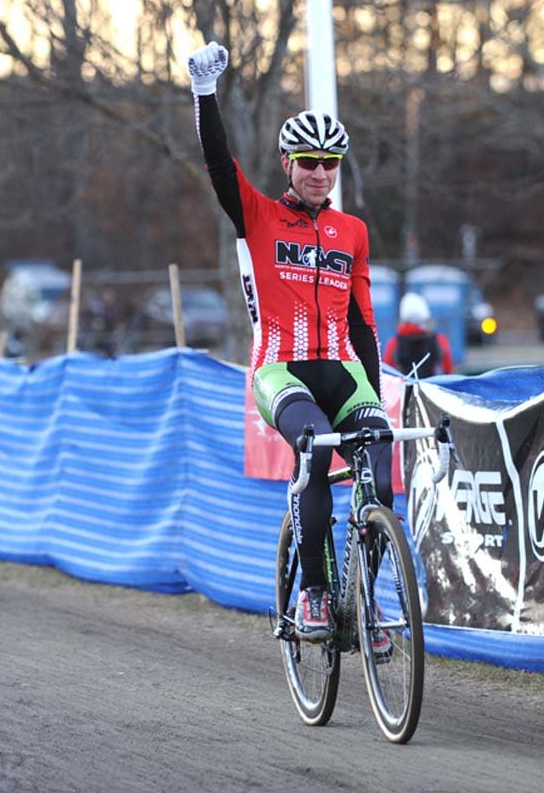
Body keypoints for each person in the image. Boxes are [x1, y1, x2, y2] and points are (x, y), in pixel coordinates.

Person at [189, 41, 392, 646]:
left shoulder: (351, 231)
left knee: (378, 465)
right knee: (311, 451)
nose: (319, 172)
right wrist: (204, 93)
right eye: (308, 161)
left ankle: (365, 601)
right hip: (280, 370)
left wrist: (374, 402)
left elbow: (363, 323)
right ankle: (315, 594)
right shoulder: (257, 216)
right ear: (287, 162)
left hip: (342, 369)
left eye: (330, 163)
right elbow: (221, 166)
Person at [383, 292, 454, 377]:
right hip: (431, 388)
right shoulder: (439, 340)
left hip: (404, 388)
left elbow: (387, 373)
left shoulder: (394, 342)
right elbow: (448, 372)